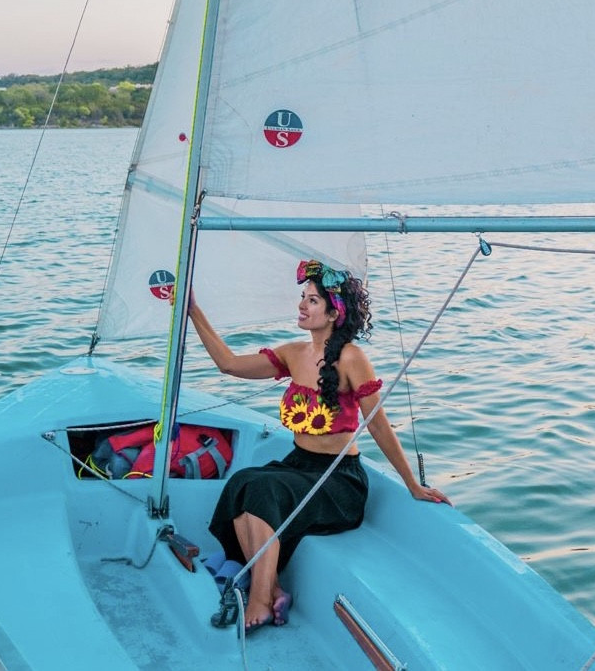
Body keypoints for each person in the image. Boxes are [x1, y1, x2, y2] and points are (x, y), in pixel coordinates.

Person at [188, 259, 449, 631]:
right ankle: (274, 589)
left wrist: (413, 485)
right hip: (299, 466)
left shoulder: (352, 359)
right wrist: (192, 310)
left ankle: (261, 599)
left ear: (333, 312)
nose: (302, 305)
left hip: (338, 482)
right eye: (303, 297)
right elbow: (228, 364)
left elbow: (378, 427)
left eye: (312, 300)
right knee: (242, 483)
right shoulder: (294, 354)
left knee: (264, 490)